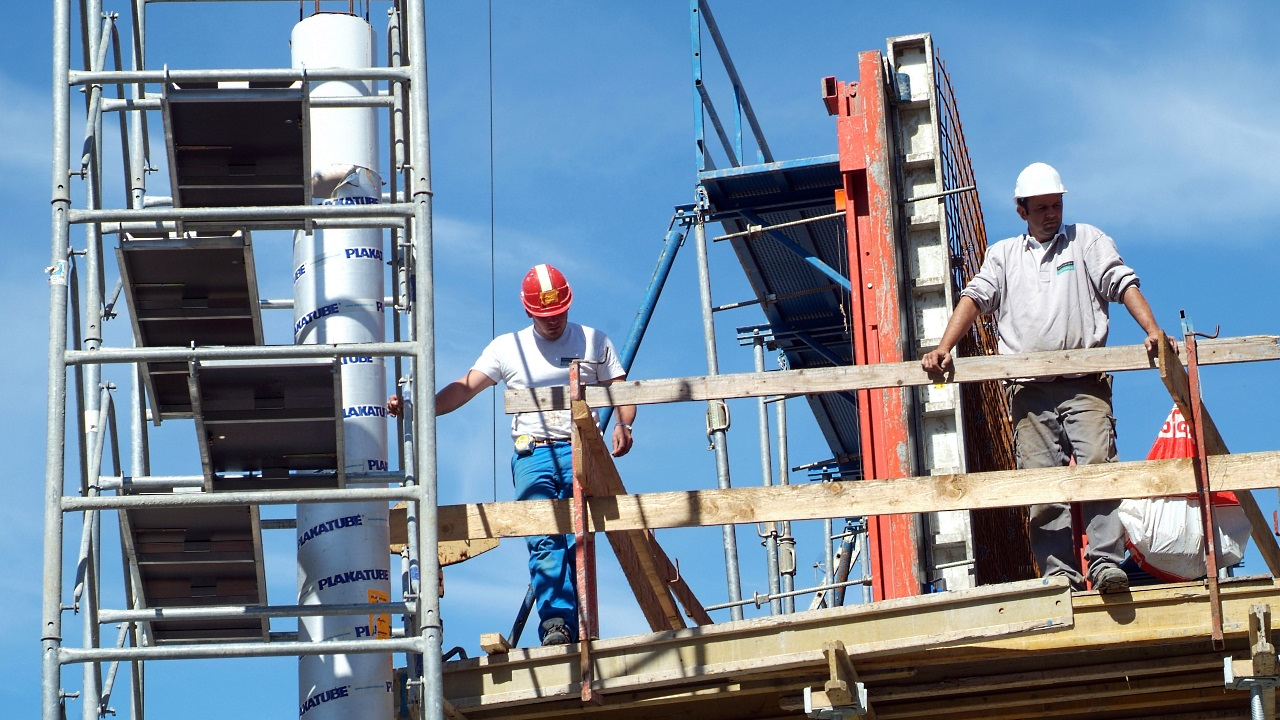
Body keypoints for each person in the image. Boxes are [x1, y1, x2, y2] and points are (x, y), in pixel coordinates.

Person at [920, 162, 1167, 594]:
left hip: (1084, 382)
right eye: (1041, 208)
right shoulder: (1003, 256)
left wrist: (1153, 330)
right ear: (1022, 211)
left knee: (1097, 471)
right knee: (1042, 485)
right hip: (1028, 389)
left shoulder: (1087, 241)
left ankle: (1106, 563)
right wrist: (945, 347)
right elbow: (975, 298)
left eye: (1056, 205)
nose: (1052, 214)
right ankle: (1060, 574)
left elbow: (1121, 282)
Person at [428, 263, 634, 645]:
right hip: (533, 456)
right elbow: (465, 387)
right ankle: (557, 623)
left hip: (582, 452)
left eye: (559, 314)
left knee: (579, 541)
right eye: (545, 316)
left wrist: (624, 424)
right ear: (529, 311)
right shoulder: (508, 348)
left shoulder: (593, 341)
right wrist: (419, 405)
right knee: (543, 537)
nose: (554, 322)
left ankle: (579, 628)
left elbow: (621, 388)